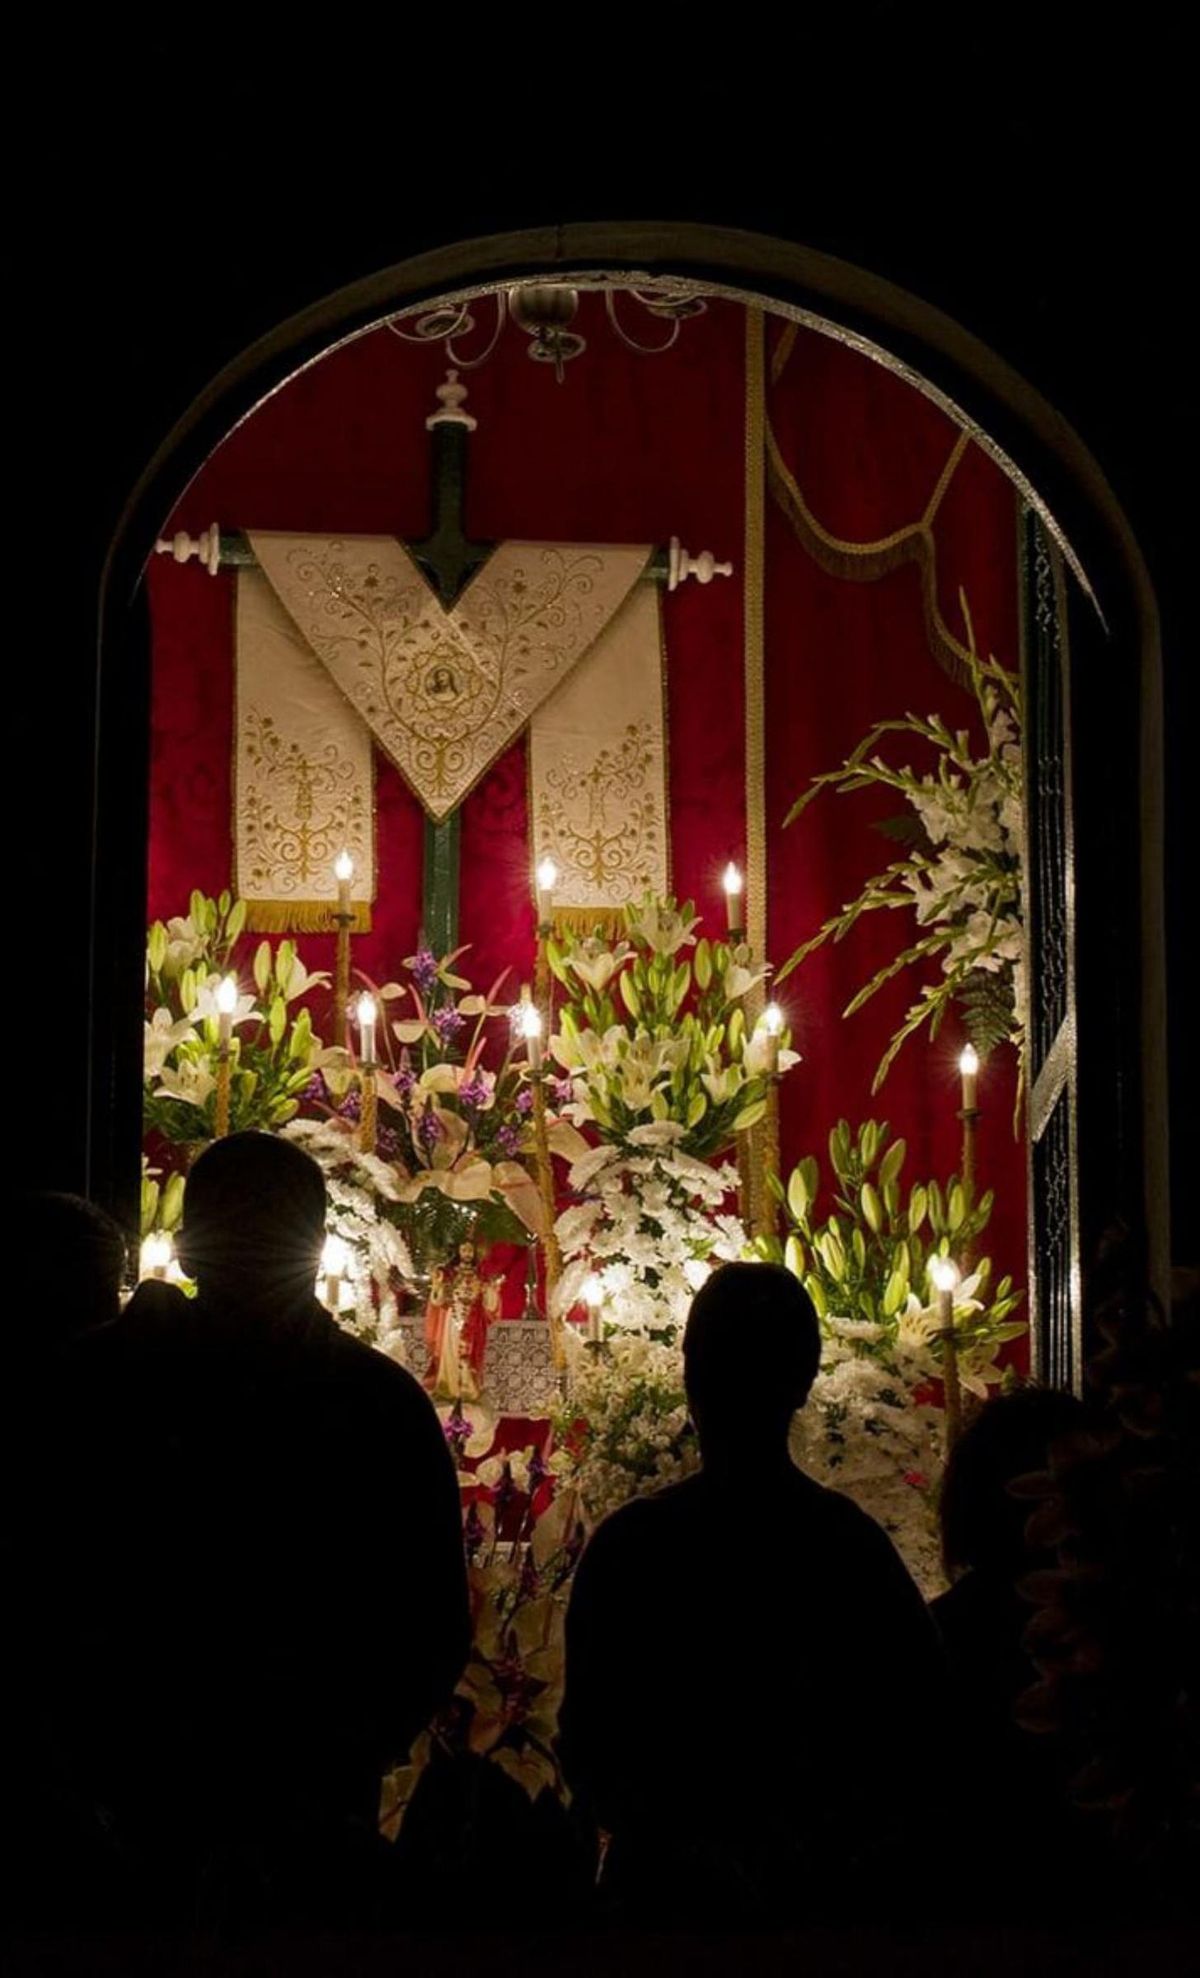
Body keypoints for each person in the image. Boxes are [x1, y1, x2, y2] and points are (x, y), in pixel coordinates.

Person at [52, 1132, 471, 1926]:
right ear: (317, 1248)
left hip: (151, 1803)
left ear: (185, 1247)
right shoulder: (375, 1404)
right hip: (263, 1803)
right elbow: (431, 1627)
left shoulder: (102, 1388)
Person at [557, 1261, 948, 1926]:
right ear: (802, 1383)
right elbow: (919, 1734)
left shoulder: (635, 1546)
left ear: (689, 1379)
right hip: (821, 1908)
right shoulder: (847, 1548)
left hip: (664, 1906)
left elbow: (590, 1747)